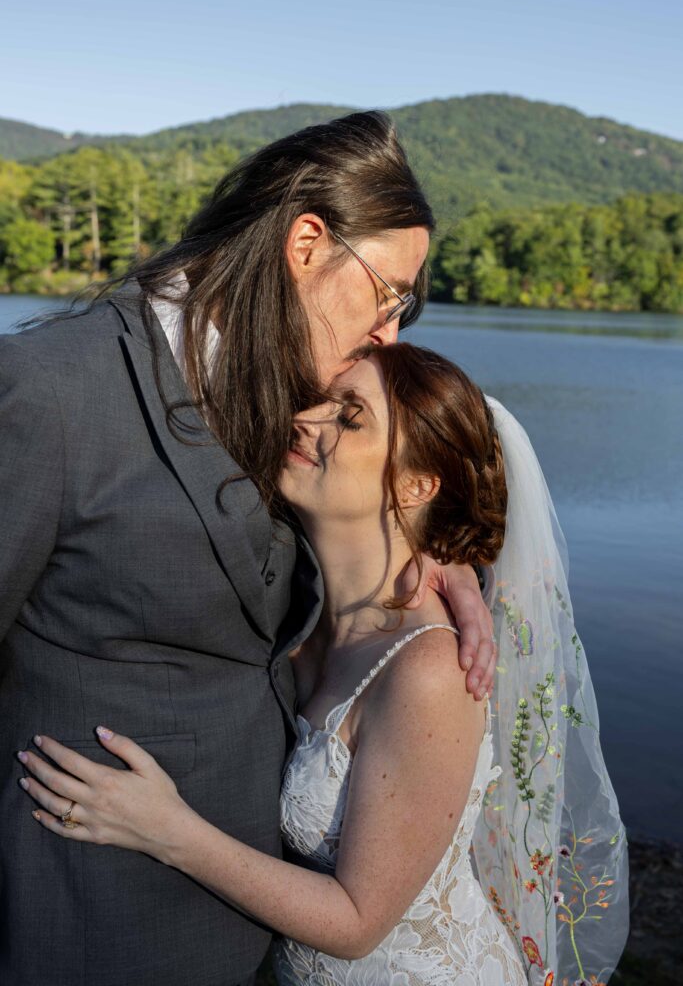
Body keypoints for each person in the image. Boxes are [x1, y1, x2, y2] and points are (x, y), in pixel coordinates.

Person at [1, 112, 497, 986]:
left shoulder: (299, 397)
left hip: (251, 934)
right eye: (387, 295)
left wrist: (441, 557)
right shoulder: (53, 391)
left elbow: (424, 459)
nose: (390, 331)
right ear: (308, 243)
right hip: (83, 924)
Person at [15, 344, 629, 984]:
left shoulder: (429, 671)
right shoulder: (296, 606)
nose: (307, 419)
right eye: (323, 399)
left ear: (417, 485)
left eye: (350, 416)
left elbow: (358, 923)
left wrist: (166, 829)